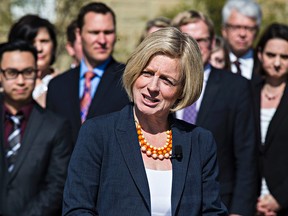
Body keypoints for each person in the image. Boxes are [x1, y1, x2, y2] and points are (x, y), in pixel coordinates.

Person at [62, 27, 228, 215]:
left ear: (182, 91)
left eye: (166, 80)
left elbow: (212, 212)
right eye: (147, 73)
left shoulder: (200, 142)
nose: (152, 87)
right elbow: (77, 209)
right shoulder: (97, 133)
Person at [172, 10, 258, 215]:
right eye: (189, 40)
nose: (197, 46)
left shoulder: (236, 87)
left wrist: (239, 209)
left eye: (202, 40)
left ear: (212, 43)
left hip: (220, 202)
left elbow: (246, 154)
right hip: (170, 200)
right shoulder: (163, 86)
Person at [0, 40, 72, 216]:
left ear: (37, 73)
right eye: (12, 73)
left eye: (28, 72)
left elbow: (56, 185)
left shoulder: (55, 126)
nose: (21, 81)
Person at [46, 2, 130, 144]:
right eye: (94, 32)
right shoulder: (57, 86)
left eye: (108, 32)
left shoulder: (128, 81)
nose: (102, 40)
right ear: (79, 34)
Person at [252, 23, 288, 216]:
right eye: (271, 55)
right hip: (250, 203)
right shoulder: (247, 92)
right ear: (260, 54)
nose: (276, 63)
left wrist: (280, 199)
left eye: (284, 57)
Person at [8, 14, 59, 108]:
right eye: (31, 42)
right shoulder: (5, 86)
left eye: (44, 41)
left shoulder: (66, 85)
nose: (39, 48)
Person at [221, 0, 262, 80]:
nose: (242, 34)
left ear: (256, 32)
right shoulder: (213, 62)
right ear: (224, 30)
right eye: (236, 27)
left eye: (249, 28)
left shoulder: (264, 66)